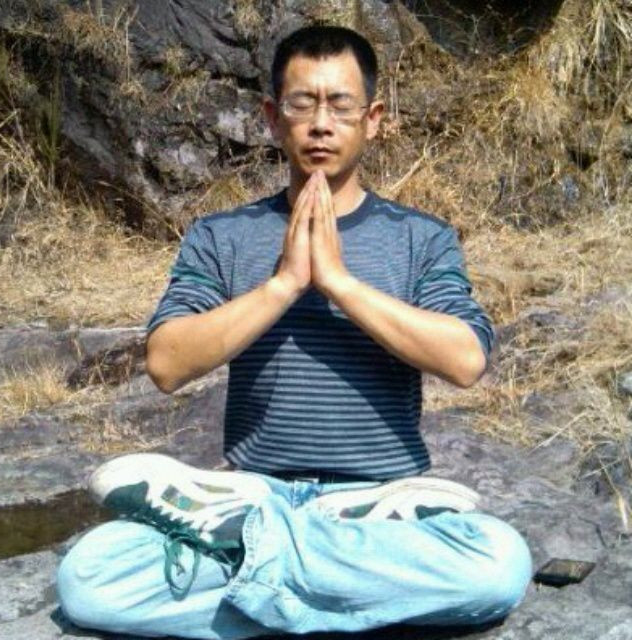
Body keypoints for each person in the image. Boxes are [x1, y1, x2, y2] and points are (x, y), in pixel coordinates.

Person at [56, 24, 532, 639]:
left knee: (498, 565)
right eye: (302, 104)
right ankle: (326, 575)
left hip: (381, 503)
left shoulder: (422, 238)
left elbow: (465, 360)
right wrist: (282, 285)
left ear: (373, 119)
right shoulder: (221, 236)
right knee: (89, 578)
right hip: (254, 493)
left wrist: (338, 283)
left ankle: (257, 554)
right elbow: (167, 363)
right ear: (272, 118)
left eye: (341, 105)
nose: (321, 124)